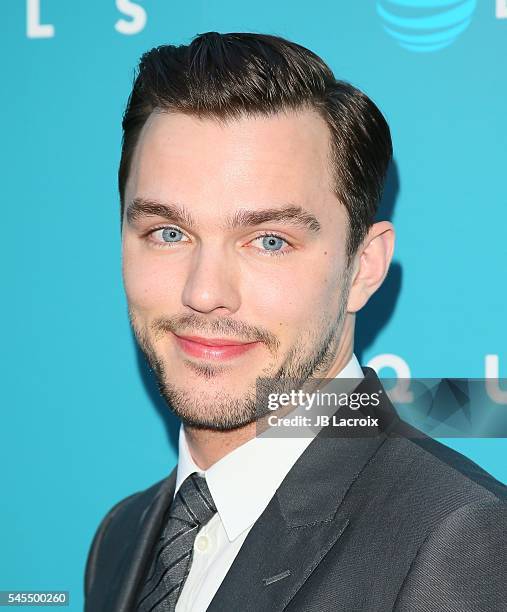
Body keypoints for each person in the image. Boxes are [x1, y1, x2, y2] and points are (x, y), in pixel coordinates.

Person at [84, 32, 506, 612]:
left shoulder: (457, 539)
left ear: (364, 267)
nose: (204, 292)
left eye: (269, 241)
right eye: (169, 233)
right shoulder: (122, 536)